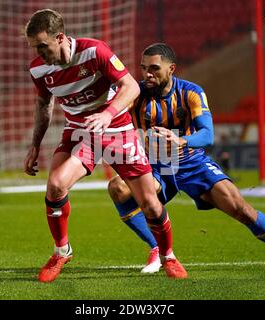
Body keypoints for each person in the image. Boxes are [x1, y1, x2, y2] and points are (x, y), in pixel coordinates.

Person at [108, 43, 265, 274]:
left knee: (240, 208)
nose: (147, 74)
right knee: (118, 187)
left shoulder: (191, 92)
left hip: (192, 162)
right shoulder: (135, 93)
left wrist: (181, 141)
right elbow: (111, 111)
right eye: (144, 68)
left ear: (171, 68)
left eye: (154, 68)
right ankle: (157, 247)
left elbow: (207, 135)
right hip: (154, 166)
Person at [23, 10, 187, 282]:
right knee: (55, 186)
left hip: (118, 130)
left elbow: (131, 87)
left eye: (43, 46)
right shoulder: (39, 69)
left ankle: (168, 255)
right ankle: (62, 250)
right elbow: (44, 105)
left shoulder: (94, 51)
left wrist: (107, 114)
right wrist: (34, 146)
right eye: (34, 48)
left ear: (60, 37)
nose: (39, 53)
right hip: (79, 133)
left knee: (150, 205)